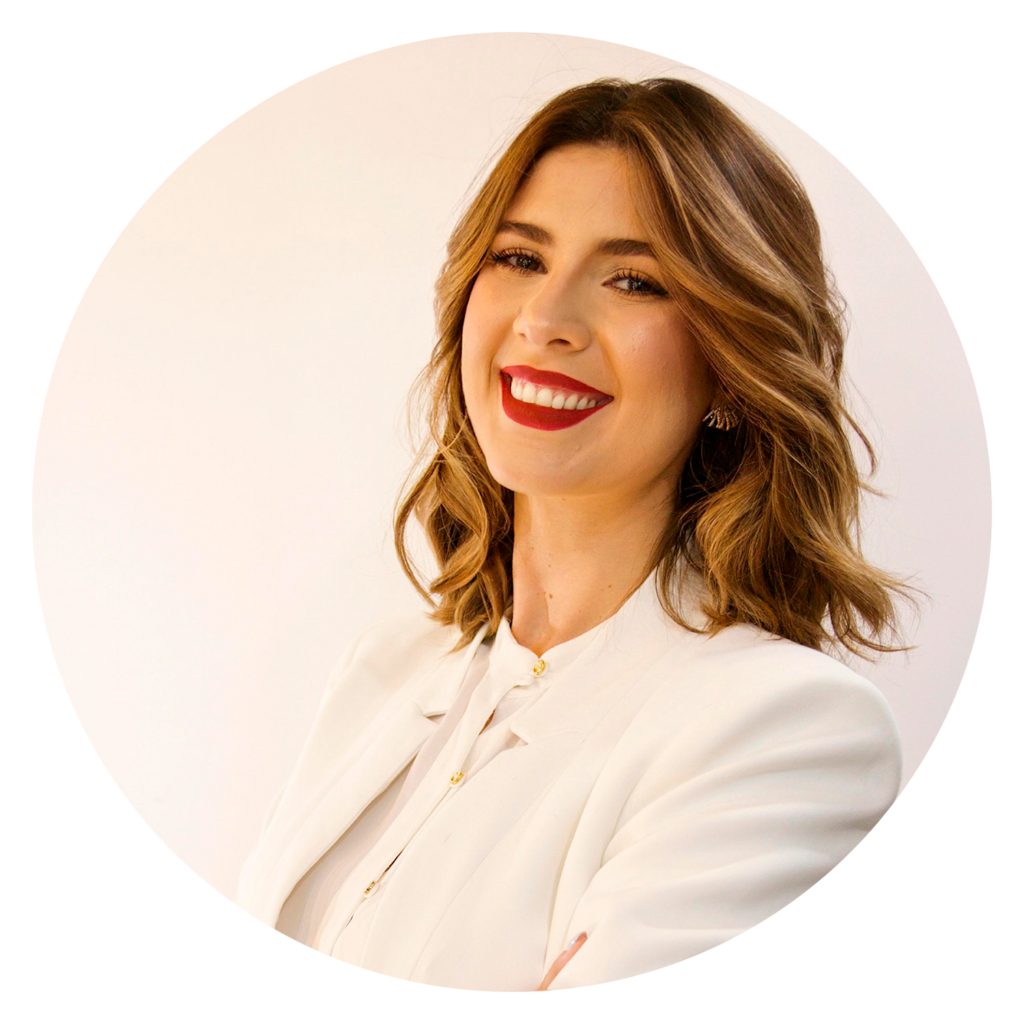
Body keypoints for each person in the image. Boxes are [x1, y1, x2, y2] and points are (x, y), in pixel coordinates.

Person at [235, 77, 921, 991]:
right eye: (520, 258)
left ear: (732, 364)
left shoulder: (787, 729)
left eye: (634, 281)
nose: (546, 321)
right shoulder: (385, 673)